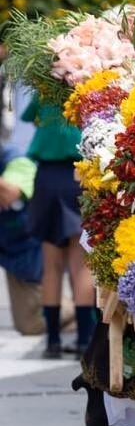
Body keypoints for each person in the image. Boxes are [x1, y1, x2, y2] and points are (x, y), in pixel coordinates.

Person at [23, 93, 96, 358]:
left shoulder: (43, 93)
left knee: (51, 266)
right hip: (77, 176)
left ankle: (52, 341)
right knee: (80, 266)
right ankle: (84, 341)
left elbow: (31, 118)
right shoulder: (84, 92)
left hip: (45, 178)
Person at [0, 142, 44, 334]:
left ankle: (77, 310)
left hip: (25, 250)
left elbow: (8, 193)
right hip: (7, 246)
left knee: (29, 324)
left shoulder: (18, 160)